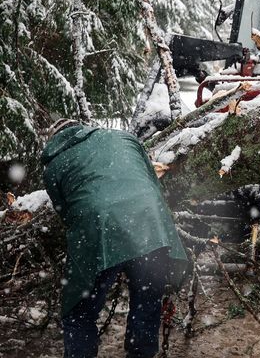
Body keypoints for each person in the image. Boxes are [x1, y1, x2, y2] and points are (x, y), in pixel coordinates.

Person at [41, 118, 188, 358]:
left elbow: (65, 214)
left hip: (99, 232)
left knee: (79, 311)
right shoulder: (123, 138)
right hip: (150, 223)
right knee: (147, 300)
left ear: (53, 142)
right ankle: (141, 353)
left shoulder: (53, 166)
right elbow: (153, 182)